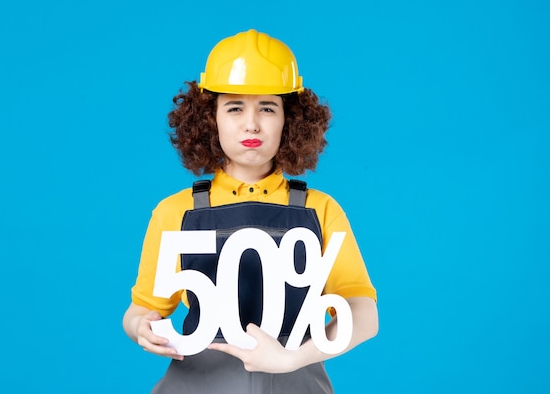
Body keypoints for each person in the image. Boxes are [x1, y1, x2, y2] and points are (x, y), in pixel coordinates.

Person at [122, 29, 378, 393]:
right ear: (210, 120)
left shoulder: (320, 210)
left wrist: (290, 359)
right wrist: (141, 329)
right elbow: (141, 310)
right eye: (235, 107)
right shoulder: (174, 212)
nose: (252, 123)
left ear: (290, 120)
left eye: (268, 108)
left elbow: (364, 315)